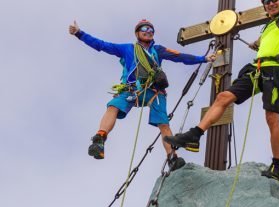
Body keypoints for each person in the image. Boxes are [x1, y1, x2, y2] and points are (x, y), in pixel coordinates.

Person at [164, 0, 279, 180]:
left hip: (276, 71)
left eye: (274, 0)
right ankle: (195, 135)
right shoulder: (269, 26)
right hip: (258, 69)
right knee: (223, 97)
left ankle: (276, 166)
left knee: (271, 117)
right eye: (266, 1)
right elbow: (270, 40)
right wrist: (257, 42)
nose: (271, 4)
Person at [69, 19, 215, 170]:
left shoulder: (158, 50)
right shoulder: (128, 49)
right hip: (132, 89)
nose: (148, 32)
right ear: (137, 33)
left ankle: (172, 157)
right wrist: (80, 34)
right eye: (144, 29)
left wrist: (203, 58)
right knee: (113, 107)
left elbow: (179, 57)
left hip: (154, 91)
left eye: (151, 30)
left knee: (163, 123)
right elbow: (102, 45)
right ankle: (99, 138)